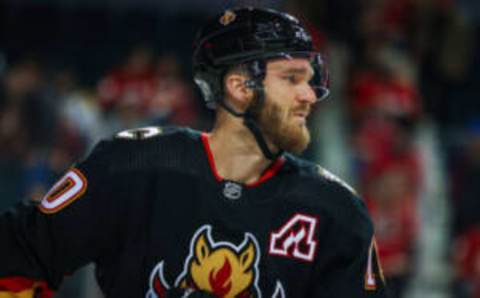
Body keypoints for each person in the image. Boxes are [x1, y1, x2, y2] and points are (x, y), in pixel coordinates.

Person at [0, 7, 388, 298]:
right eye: (291, 79)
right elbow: (21, 253)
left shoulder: (336, 211)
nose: (309, 95)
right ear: (239, 86)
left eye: (310, 80)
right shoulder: (134, 165)